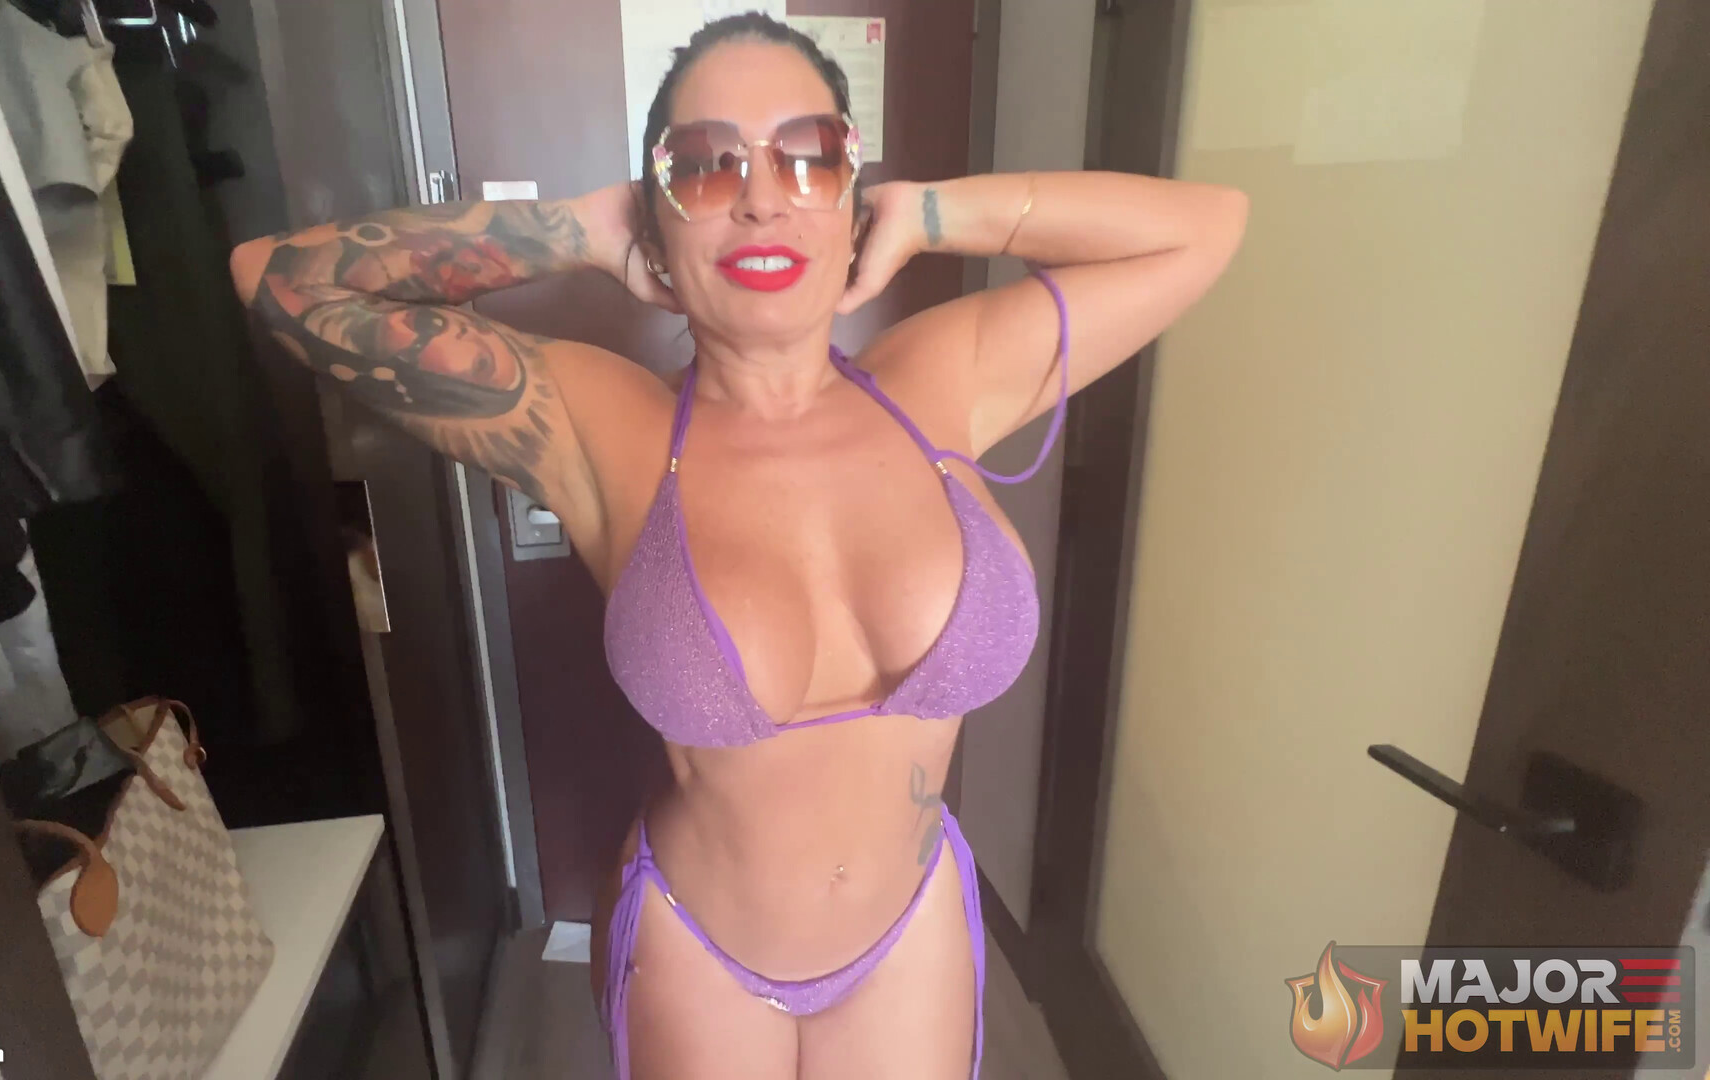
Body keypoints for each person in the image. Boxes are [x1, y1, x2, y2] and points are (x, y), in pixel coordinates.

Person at [229, 14, 1245, 1078]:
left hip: (911, 932)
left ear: (851, 194)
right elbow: (277, 279)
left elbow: (1206, 228)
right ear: (655, 217)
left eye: (811, 156)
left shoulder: (944, 378)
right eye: (705, 165)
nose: (762, 196)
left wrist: (930, 213)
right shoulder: (598, 423)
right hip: (701, 953)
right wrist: (579, 230)